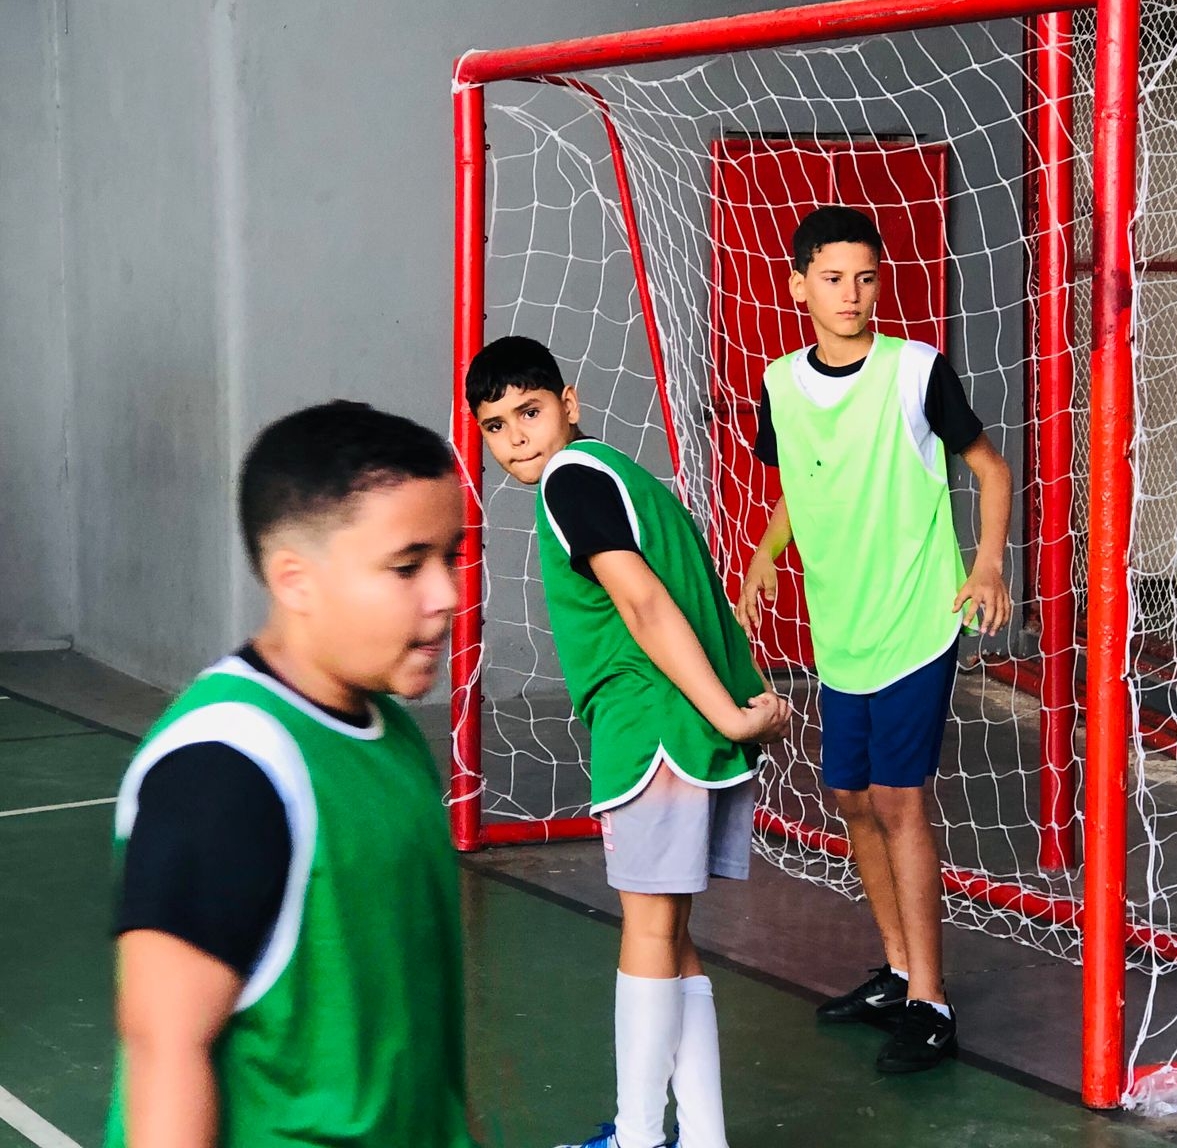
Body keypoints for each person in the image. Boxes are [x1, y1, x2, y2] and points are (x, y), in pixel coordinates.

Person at [107, 401, 474, 1146]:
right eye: (408, 566)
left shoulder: (389, 729)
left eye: (452, 557)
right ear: (295, 580)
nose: (447, 595)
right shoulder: (225, 770)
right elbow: (164, 1052)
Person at [468, 335, 791, 1148]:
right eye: (497, 425)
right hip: (685, 728)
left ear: (569, 403)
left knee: (647, 935)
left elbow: (644, 602)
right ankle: (703, 1139)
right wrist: (725, 712)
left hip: (654, 734)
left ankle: (640, 1139)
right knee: (671, 939)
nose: (517, 437)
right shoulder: (619, 473)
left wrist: (728, 716)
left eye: (530, 412)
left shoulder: (570, 480)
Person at [736, 205, 1013, 1074]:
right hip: (842, 628)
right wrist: (765, 554)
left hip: (917, 619)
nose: (850, 294)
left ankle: (932, 1003)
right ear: (799, 287)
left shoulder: (916, 371)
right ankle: (896, 973)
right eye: (832, 278)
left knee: (897, 802)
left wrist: (987, 565)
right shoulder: (781, 384)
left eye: (864, 277)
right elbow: (801, 480)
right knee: (852, 800)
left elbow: (991, 469)